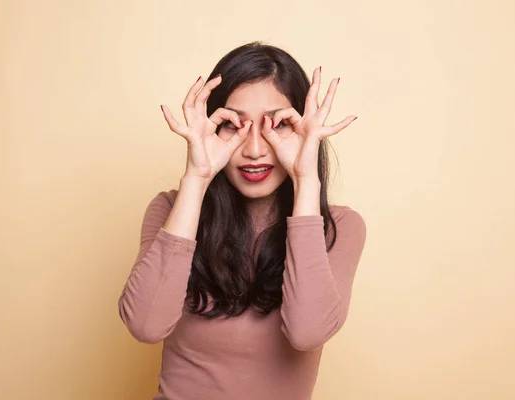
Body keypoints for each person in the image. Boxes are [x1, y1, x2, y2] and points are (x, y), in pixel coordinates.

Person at [118, 42, 367, 400]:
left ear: (303, 129)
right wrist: (197, 180)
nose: (253, 149)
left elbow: (307, 332)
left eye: (277, 124)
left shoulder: (339, 228)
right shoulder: (171, 210)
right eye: (234, 125)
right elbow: (145, 325)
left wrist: (305, 179)